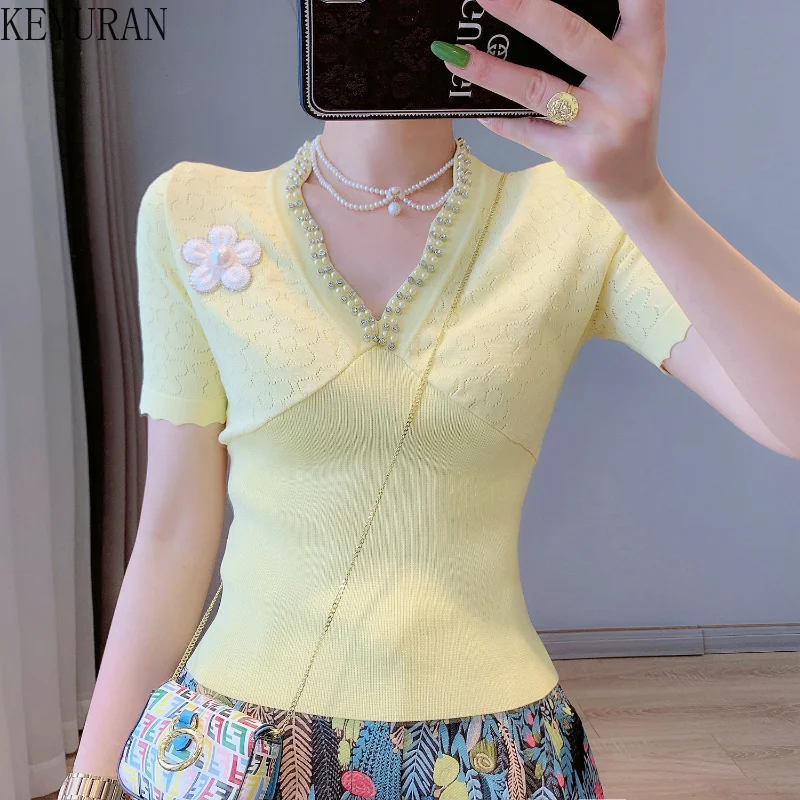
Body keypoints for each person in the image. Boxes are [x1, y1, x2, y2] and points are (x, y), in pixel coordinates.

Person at [60, 2, 800, 799]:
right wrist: (91, 783)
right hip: (233, 754)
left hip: (492, 761)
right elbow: (171, 534)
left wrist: (643, 196)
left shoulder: (575, 214)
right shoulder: (192, 214)